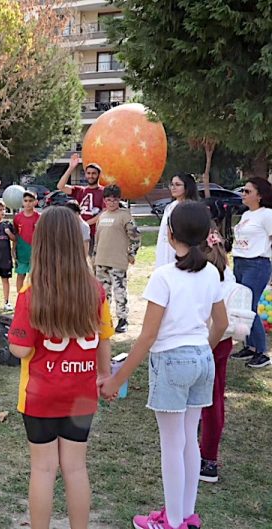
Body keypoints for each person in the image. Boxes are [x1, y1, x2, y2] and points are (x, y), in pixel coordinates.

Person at [101, 202, 227, 529]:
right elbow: (221, 323)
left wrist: (117, 379)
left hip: (172, 363)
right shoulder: (212, 272)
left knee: (172, 443)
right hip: (202, 360)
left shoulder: (164, 277)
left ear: (169, 235)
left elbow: (147, 337)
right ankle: (185, 515)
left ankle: (172, 521)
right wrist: (200, 348)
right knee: (187, 438)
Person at [7, 206, 113, 529]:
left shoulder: (31, 292)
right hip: (81, 394)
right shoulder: (95, 289)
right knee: (76, 468)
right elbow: (104, 339)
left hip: (40, 395)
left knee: (42, 470)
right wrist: (104, 376)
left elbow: (21, 347)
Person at [198, 227, 235, 483]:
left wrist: (205, 349)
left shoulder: (206, 277)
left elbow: (216, 322)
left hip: (208, 342)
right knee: (214, 400)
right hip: (223, 342)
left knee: (210, 405)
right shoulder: (227, 273)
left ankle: (208, 459)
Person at [230, 177, 272, 369]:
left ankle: (262, 352)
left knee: (250, 307)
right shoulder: (247, 215)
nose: (243, 194)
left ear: (260, 195)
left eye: (248, 191)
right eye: (243, 190)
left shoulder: (267, 215)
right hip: (240, 262)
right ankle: (250, 346)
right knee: (240, 306)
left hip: (257, 264)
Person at [93, 185, 141, 333]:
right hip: (101, 260)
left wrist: (132, 253)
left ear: (119, 200)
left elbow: (135, 236)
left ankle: (122, 318)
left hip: (117, 260)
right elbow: (97, 238)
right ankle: (105, 318)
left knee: (119, 290)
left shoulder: (124, 216)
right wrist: (94, 256)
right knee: (103, 291)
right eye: (108, 200)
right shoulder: (102, 216)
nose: (111, 203)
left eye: (114, 200)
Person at [56, 153, 104, 249]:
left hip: (94, 233)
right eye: (88, 173)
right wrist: (71, 168)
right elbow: (60, 186)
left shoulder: (104, 191)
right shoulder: (80, 190)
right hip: (78, 231)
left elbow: (103, 213)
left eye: (94, 173)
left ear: (99, 175)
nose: (91, 176)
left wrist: (85, 224)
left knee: (90, 260)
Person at [155, 173, 199, 268]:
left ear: (187, 187)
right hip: (165, 248)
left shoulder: (191, 208)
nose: (173, 187)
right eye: (172, 184)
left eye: (178, 184)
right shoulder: (169, 207)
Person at [13, 190, 40, 292]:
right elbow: (15, 234)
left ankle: (34, 297)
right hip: (22, 251)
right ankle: (20, 297)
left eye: (30, 201)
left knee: (35, 275)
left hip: (35, 250)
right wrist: (13, 249)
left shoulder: (39, 217)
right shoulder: (18, 218)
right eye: (26, 201)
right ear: (22, 202)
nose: (28, 203)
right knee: (21, 274)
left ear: (35, 202)